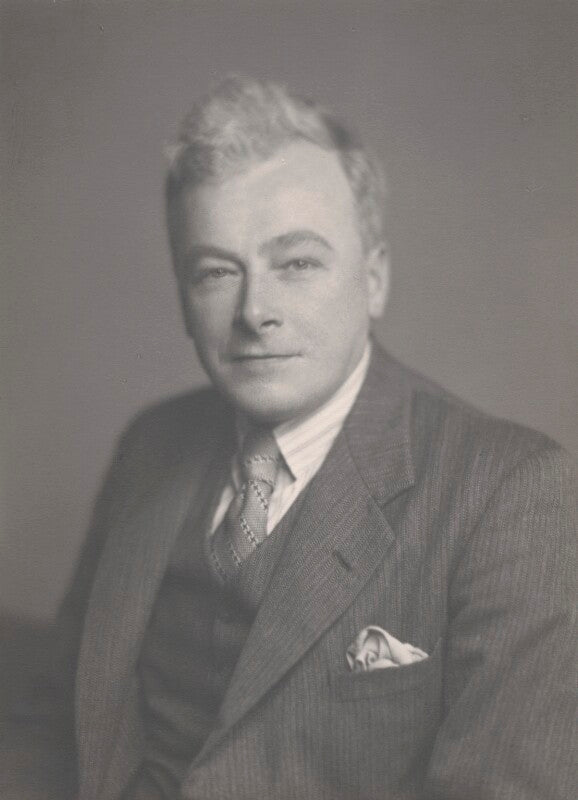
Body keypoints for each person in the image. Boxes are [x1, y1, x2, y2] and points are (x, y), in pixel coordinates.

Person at [49, 76, 576, 800]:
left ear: (374, 279)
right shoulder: (151, 444)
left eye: (296, 262)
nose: (255, 311)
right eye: (216, 271)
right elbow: (53, 720)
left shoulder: (511, 492)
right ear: (182, 299)